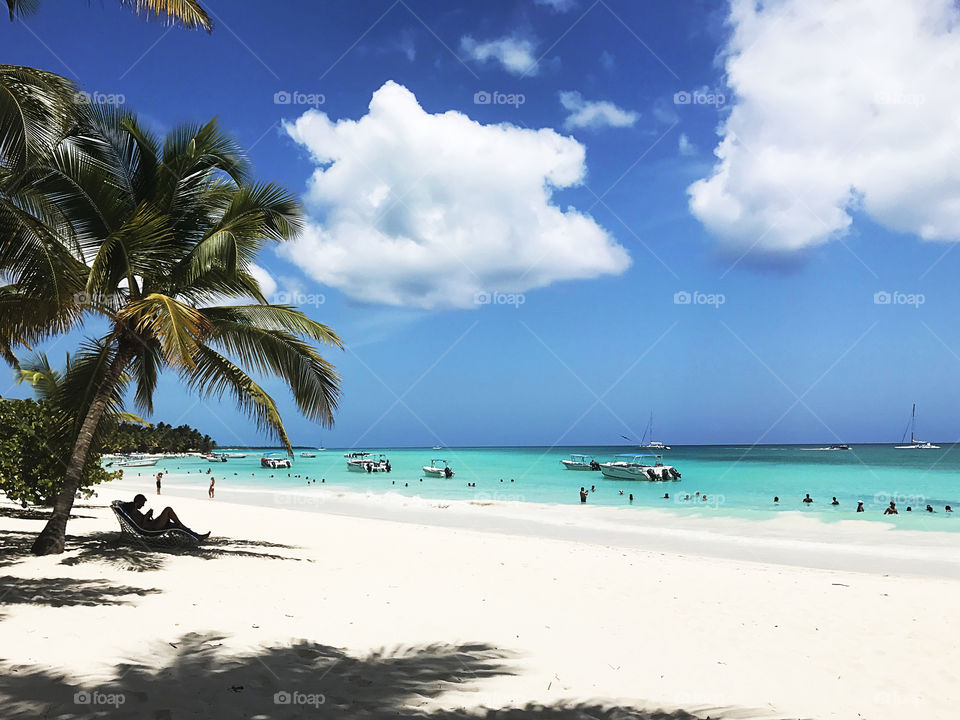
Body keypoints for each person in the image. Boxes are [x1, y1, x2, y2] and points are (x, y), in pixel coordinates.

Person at [121, 494, 208, 538]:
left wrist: (148, 515)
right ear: (138, 502)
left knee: (173, 524)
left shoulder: (135, 511)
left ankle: (195, 535)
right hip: (152, 528)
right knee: (168, 509)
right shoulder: (134, 512)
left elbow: (142, 520)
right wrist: (147, 515)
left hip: (152, 524)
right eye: (143, 503)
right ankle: (189, 531)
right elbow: (142, 526)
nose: (143, 505)